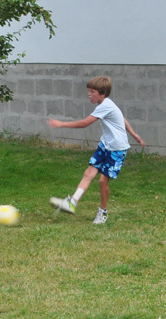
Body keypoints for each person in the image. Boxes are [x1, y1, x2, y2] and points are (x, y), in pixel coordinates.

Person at [48, 76, 146, 224]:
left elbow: (84, 123)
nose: (89, 94)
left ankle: (102, 212)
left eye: (92, 91)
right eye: (88, 91)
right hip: (105, 145)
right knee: (89, 172)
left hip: (117, 149)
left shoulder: (105, 105)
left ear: (102, 94)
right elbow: (122, 118)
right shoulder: (106, 104)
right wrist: (134, 134)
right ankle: (72, 202)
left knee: (102, 181)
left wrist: (61, 124)